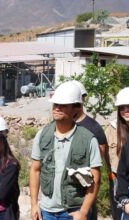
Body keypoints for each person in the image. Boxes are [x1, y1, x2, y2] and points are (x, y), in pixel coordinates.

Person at [30, 83, 102, 220]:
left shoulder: (88, 139)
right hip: (46, 212)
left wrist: (83, 212)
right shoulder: (42, 135)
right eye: (55, 104)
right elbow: (35, 170)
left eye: (63, 105)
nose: (57, 108)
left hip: (73, 212)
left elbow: (95, 179)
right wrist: (34, 204)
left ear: (75, 108)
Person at [68, 80, 109, 220]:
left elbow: (98, 161)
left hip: (84, 194)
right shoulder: (60, 126)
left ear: (82, 100)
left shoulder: (94, 128)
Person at [103, 87, 129, 220]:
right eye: (122, 107)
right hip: (117, 182)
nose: (126, 111)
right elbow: (105, 158)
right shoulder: (111, 129)